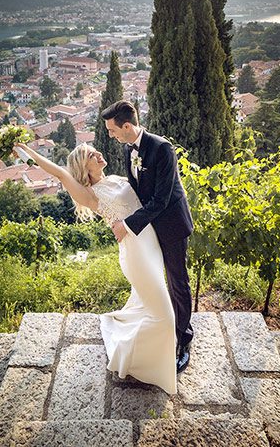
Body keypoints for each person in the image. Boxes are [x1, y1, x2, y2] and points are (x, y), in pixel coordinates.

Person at [13, 141, 177, 395]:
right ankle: (139, 362)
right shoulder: (89, 194)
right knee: (165, 317)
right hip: (136, 255)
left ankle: (150, 354)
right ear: (83, 166)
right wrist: (28, 153)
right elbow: (58, 172)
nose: (98, 153)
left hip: (152, 246)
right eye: (91, 154)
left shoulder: (113, 177)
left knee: (151, 307)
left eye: (95, 150)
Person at [100, 100, 194, 373]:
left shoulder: (162, 149)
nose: (111, 135)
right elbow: (135, 190)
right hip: (149, 227)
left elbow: (161, 199)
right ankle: (163, 327)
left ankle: (183, 339)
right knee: (156, 280)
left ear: (126, 126)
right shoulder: (129, 149)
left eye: (112, 130)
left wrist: (127, 224)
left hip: (172, 224)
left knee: (177, 281)